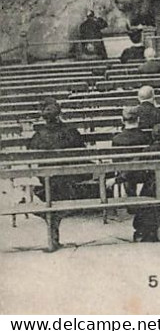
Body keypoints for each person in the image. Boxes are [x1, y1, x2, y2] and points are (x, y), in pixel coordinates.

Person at [28, 100, 87, 243]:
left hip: (47, 177)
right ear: (60, 114)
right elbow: (83, 152)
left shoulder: (38, 135)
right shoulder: (72, 132)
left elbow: (30, 153)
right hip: (69, 176)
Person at [111, 106, 149, 196]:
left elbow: (115, 160)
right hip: (142, 172)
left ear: (122, 120)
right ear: (138, 119)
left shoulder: (116, 139)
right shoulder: (145, 137)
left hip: (124, 173)